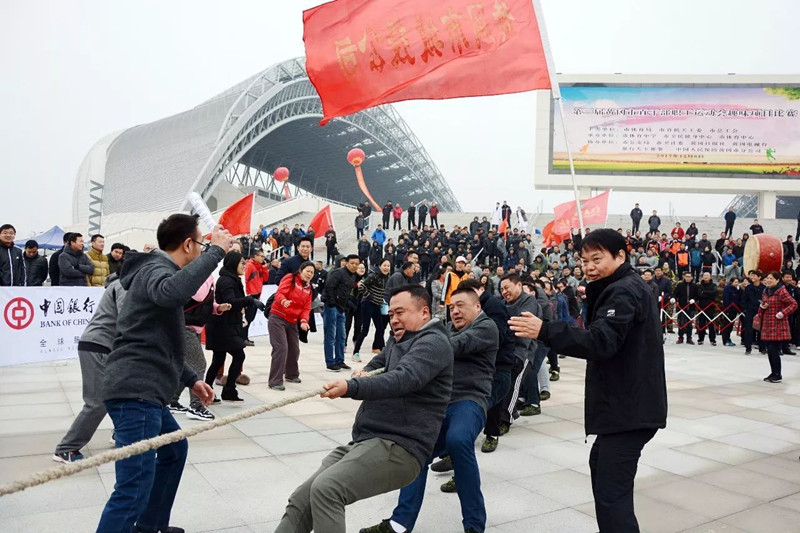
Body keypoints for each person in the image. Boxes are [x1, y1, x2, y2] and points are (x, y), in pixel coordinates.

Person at [508, 228, 667, 533]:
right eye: (584, 260)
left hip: (629, 410)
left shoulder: (623, 291)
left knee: (612, 499)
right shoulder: (619, 286)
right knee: (602, 471)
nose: (589, 267)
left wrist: (545, 330)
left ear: (620, 256)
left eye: (597, 259)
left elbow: (600, 341)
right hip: (625, 407)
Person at [274, 286, 453, 533]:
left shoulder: (433, 342)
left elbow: (403, 378)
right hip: (368, 440)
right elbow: (380, 361)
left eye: (400, 312)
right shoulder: (399, 339)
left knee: (328, 489)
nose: (394, 319)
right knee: (301, 500)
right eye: (391, 314)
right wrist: (365, 371)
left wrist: (351, 387)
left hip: (400, 446)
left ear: (424, 312)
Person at [97, 215, 232, 532]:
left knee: (174, 451)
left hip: (147, 389)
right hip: (137, 390)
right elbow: (171, 292)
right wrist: (216, 252)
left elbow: (158, 343)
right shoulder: (156, 270)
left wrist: (192, 379)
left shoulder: (156, 271)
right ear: (188, 244)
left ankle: (151, 526)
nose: (202, 250)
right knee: (132, 488)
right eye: (200, 245)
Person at [366, 288, 497, 533]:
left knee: (458, 441)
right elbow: (389, 355)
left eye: (461, 305)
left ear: (477, 307)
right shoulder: (445, 330)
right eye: (451, 307)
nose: (455, 311)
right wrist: (366, 372)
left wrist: (421, 339)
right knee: (416, 454)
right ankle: (400, 524)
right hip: (439, 405)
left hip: (469, 401)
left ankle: (474, 525)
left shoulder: (486, 327)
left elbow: (455, 345)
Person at [53, 272, 127, 463]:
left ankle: (121, 434)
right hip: (98, 347)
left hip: (106, 347)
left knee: (121, 393)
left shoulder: (123, 283)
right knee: (97, 402)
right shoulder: (124, 285)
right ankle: (66, 448)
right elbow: (127, 320)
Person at [204, 252, 264, 402]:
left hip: (225, 325)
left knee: (218, 360)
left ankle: (210, 391)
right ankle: (226, 390)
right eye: (242, 263)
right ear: (233, 264)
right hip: (222, 327)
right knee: (238, 355)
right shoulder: (227, 281)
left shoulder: (232, 279)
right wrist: (250, 300)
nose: (244, 266)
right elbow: (231, 302)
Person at [173, 276, 230, 420]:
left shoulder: (207, 277)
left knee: (187, 365)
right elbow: (198, 296)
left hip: (195, 326)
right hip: (184, 327)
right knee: (198, 364)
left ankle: (171, 400)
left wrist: (218, 308)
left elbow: (207, 302)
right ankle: (196, 406)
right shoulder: (196, 275)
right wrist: (206, 276)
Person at [268, 261, 314, 390]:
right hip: (278, 317)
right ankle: (275, 381)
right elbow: (280, 293)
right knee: (281, 348)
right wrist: (283, 301)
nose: (309, 274)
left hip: (293, 321)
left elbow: (307, 307)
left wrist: (304, 321)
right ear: (301, 270)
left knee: (294, 349)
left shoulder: (309, 288)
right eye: (307, 271)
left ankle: (291, 374)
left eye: (312, 272)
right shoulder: (290, 278)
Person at [757, 271, 798, 383]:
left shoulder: (781, 291)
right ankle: (773, 372)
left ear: (777, 280)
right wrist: (762, 307)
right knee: (770, 351)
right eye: (767, 278)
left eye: (771, 278)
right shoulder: (765, 291)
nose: (768, 280)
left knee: (773, 349)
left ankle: (777, 374)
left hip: (777, 325)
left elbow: (794, 304)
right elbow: (763, 306)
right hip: (767, 324)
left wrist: (783, 313)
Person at [323, 254, 360, 372]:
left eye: (356, 264)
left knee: (341, 336)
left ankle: (340, 360)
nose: (354, 266)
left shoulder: (353, 276)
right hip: (332, 307)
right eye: (352, 263)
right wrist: (332, 303)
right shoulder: (338, 273)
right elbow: (329, 287)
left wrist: (348, 306)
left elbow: (346, 293)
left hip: (342, 308)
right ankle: (330, 362)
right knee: (330, 335)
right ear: (346, 263)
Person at [353, 258, 391, 362]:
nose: (386, 268)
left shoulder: (386, 277)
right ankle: (356, 353)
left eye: (388, 266)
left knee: (380, 328)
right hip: (367, 304)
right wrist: (370, 296)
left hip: (377, 305)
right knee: (365, 330)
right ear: (380, 266)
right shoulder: (373, 276)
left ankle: (381, 351)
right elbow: (361, 287)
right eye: (384, 265)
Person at [243, 249, 268, 345]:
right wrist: (247, 294)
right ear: (255, 256)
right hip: (250, 295)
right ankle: (243, 338)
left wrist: (264, 268)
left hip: (257, 294)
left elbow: (265, 279)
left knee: (251, 317)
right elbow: (245, 280)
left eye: (263, 256)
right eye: (261, 256)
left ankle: (245, 337)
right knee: (248, 317)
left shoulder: (259, 267)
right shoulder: (249, 265)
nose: (263, 258)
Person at [742, 270, 766, 355]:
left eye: (754, 276)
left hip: (761, 311)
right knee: (749, 330)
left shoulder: (764, 288)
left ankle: (762, 348)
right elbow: (744, 299)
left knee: (761, 330)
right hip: (750, 311)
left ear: (759, 277)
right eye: (751, 276)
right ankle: (748, 348)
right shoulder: (748, 288)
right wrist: (746, 308)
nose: (752, 277)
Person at [675, 271, 699, 345]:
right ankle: (680, 337)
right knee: (681, 322)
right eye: (686, 276)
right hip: (682, 307)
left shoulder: (694, 286)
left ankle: (689, 338)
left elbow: (697, 295)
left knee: (690, 323)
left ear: (692, 277)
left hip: (691, 307)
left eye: (689, 277)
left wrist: (694, 299)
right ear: (683, 277)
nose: (688, 278)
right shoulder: (680, 285)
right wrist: (674, 298)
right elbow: (675, 294)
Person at [696, 271, 718, 346]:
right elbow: (699, 294)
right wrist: (708, 293)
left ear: (710, 277)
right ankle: (700, 339)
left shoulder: (714, 285)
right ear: (702, 277)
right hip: (701, 307)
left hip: (711, 307)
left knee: (711, 324)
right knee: (701, 324)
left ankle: (712, 340)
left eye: (707, 275)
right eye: (704, 275)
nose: (706, 277)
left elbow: (714, 293)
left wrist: (704, 292)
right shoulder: (699, 285)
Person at [721, 278, 742, 347]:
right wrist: (727, 308)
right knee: (726, 325)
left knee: (730, 325)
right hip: (728, 309)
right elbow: (726, 298)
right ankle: (725, 340)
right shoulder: (727, 288)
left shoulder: (737, 289)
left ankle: (728, 339)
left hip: (734, 309)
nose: (736, 283)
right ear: (731, 282)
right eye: (735, 282)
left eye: (737, 282)